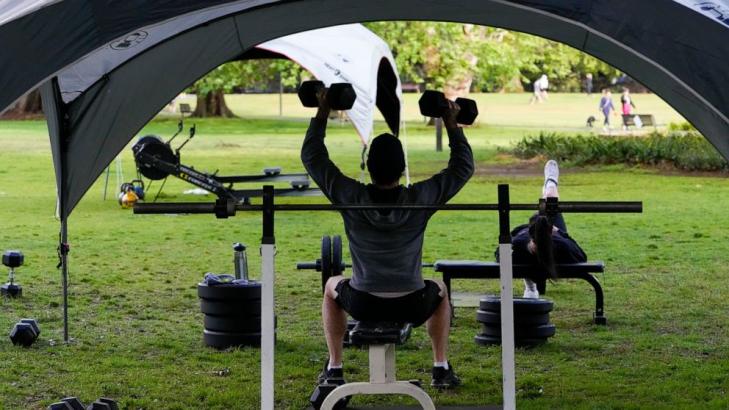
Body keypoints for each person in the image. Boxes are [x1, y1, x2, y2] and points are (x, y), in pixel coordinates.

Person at [301, 88, 474, 389]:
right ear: (402, 168)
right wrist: (451, 122)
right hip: (413, 303)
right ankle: (441, 367)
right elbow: (462, 168)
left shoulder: (351, 196)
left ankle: (335, 367)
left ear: (369, 167)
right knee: (441, 289)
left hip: (363, 302)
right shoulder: (420, 198)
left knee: (331, 286)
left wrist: (323, 109)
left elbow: (313, 156)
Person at [498, 160, 587, 298]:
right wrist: (560, 233)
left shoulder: (519, 243)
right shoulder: (561, 245)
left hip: (529, 239)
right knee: (551, 200)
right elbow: (581, 255)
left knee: (549, 202)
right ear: (551, 230)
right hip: (547, 238)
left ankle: (531, 287)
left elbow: (500, 253)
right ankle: (550, 183)